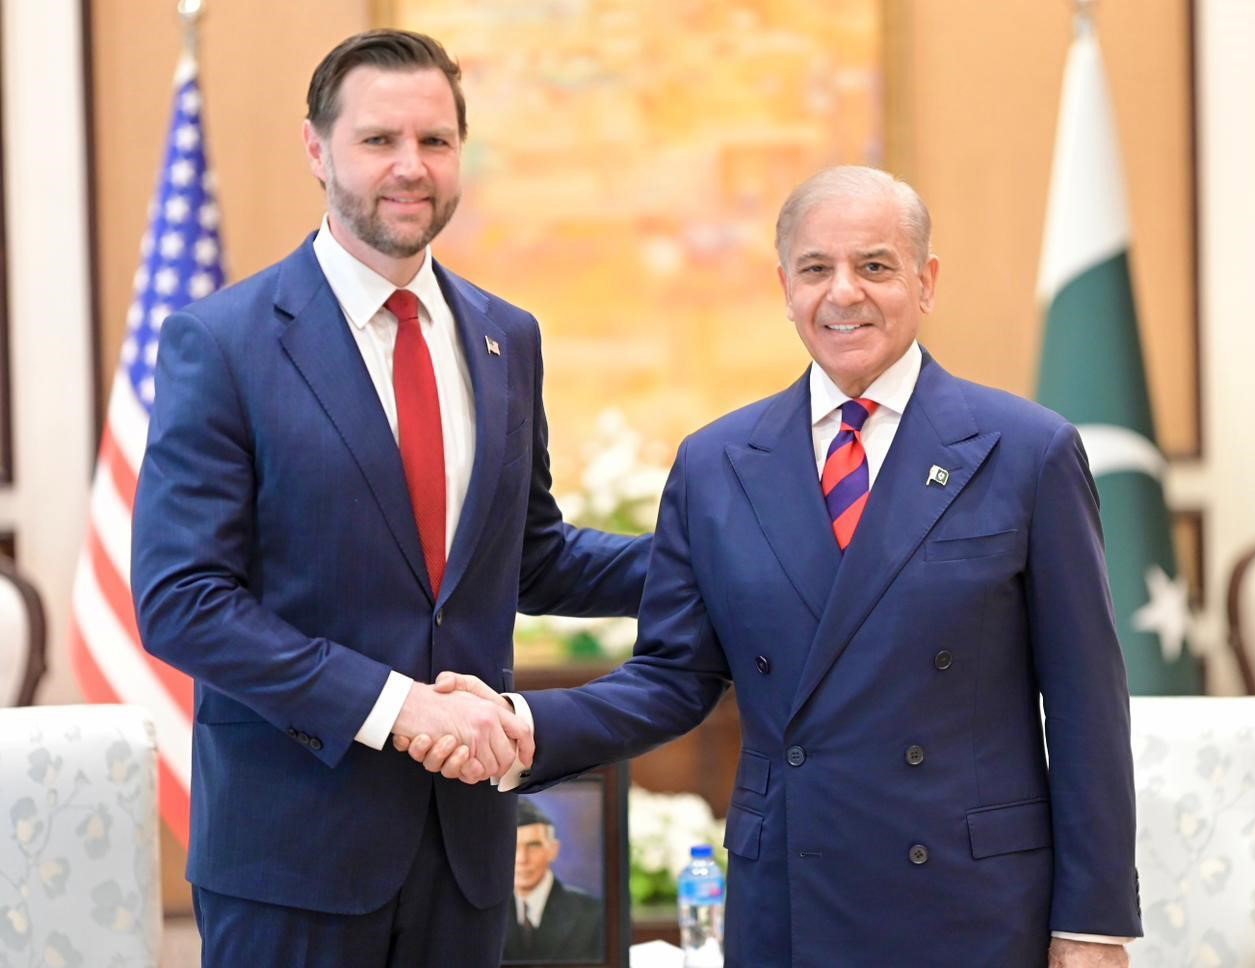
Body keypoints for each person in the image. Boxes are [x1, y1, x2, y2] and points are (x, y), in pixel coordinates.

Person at [411, 166, 1143, 966]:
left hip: (971, 899)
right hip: (792, 896)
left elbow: (1086, 710)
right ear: (785, 286)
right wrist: (523, 723)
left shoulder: (1026, 452)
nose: (844, 294)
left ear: (926, 282)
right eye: (816, 269)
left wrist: (1094, 924)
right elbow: (672, 678)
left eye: (875, 266)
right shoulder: (718, 462)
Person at [130, 29, 650, 968]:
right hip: (292, 857)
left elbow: (528, 554)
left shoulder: (506, 338)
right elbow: (182, 601)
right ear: (317, 148)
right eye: (379, 140)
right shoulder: (224, 342)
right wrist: (398, 707)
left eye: (436, 141)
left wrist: (725, 557)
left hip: (466, 855)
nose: (411, 168)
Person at [503, 798, 603, 963]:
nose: (522, 859)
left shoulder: (593, 914)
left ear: (553, 850)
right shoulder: (483, 913)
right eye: (512, 846)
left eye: (533, 845)